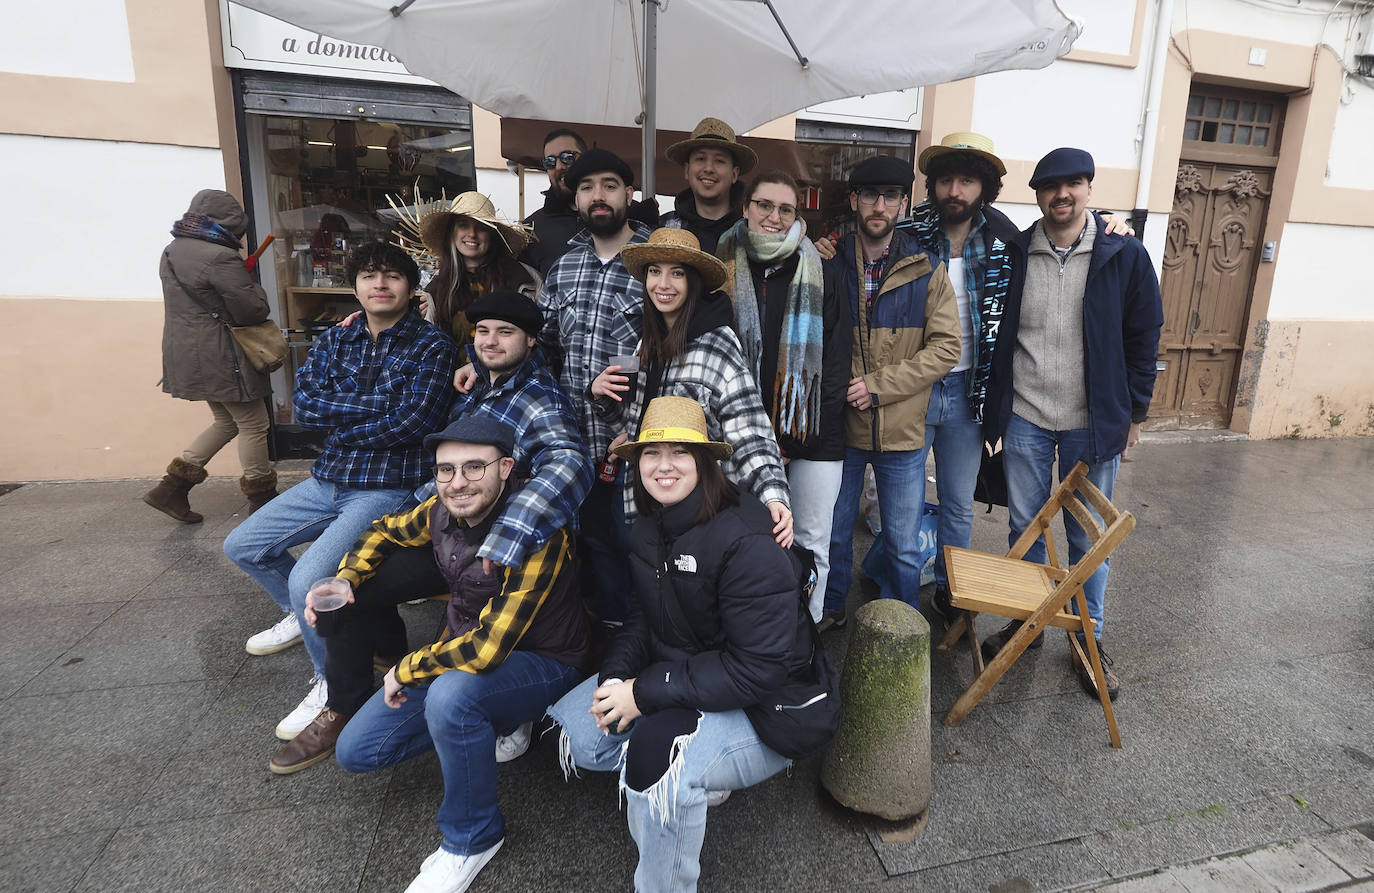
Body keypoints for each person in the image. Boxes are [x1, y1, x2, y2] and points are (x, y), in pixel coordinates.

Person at [548, 397, 834, 893]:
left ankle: (665, 877)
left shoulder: (747, 539)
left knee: (660, 767)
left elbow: (757, 670)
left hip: (772, 707)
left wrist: (644, 695)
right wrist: (617, 676)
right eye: (651, 454)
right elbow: (642, 617)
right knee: (580, 733)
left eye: (679, 453)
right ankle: (691, 758)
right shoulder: (648, 526)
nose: (663, 467)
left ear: (704, 462)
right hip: (692, 669)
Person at [322, 416, 588, 893]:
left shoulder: (537, 532)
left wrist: (407, 667)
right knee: (358, 752)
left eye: (473, 467)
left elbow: (487, 650)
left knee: (452, 696)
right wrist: (347, 576)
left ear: (506, 468)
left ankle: (473, 839)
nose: (457, 482)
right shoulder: (439, 511)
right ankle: (492, 722)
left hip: (544, 660)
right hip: (462, 652)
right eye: (445, 470)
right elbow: (383, 530)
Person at [223, 241, 458, 742]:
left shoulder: (432, 345)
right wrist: (372, 409)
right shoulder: (335, 339)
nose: (380, 284)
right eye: (370, 276)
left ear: (411, 288)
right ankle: (305, 618)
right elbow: (306, 405)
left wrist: (342, 418)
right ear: (354, 286)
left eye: (392, 276)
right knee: (241, 545)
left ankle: (331, 682)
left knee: (311, 576)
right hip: (327, 479)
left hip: (384, 487)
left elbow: (414, 423)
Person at [983, 147, 1163, 700]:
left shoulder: (1122, 255)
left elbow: (1144, 336)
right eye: (1050, 186)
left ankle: (1088, 639)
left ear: (1088, 188)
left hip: (1091, 422)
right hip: (1028, 418)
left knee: (1088, 540)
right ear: (1037, 194)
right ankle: (1028, 623)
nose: (1062, 194)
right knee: (1025, 527)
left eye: (1073, 184)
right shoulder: (1016, 251)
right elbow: (998, 331)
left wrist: (1134, 413)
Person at [818, 155, 961, 632]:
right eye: (870, 196)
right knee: (834, 531)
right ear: (854, 200)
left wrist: (877, 387)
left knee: (902, 541)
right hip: (839, 430)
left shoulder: (927, 270)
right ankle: (830, 607)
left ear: (904, 203)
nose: (880, 206)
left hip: (901, 432)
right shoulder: (828, 260)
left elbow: (946, 348)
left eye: (891, 197)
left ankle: (901, 623)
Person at [594, 227, 793, 546]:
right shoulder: (648, 340)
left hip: (700, 512)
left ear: (694, 281)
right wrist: (603, 394)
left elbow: (749, 430)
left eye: (677, 274)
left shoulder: (717, 345)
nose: (663, 284)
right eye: (655, 271)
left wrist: (773, 495)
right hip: (648, 502)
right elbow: (638, 419)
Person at [716, 170, 848, 619]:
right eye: (764, 205)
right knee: (742, 540)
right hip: (739, 435)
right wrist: (760, 439)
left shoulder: (821, 268)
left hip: (813, 439)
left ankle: (803, 642)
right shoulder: (721, 266)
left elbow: (835, 364)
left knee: (811, 543)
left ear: (798, 215)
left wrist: (792, 441)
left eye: (785, 209)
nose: (774, 217)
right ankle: (749, 639)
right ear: (745, 207)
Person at [536, 147, 653, 623]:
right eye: (586, 188)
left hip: (628, 443)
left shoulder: (654, 264)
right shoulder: (562, 267)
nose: (597, 196)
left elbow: (675, 354)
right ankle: (590, 638)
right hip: (568, 441)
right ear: (576, 199)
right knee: (580, 547)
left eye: (608, 185)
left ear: (629, 192)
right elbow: (541, 348)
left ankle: (630, 639)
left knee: (627, 549)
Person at [143, 189, 278, 522]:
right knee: (254, 423)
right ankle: (263, 501)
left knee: (226, 421)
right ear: (231, 223)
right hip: (222, 355)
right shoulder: (220, 256)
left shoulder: (171, 250)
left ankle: (171, 489)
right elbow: (252, 309)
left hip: (186, 352)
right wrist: (251, 282)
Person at [521, 128, 658, 277]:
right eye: (550, 161)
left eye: (567, 157)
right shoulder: (531, 229)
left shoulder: (636, 214)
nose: (559, 166)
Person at [418, 192, 539, 347]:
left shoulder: (524, 279)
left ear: (491, 235)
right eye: (463, 225)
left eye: (481, 227)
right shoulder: (437, 287)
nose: (472, 234)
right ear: (452, 232)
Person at [661, 117, 757, 255]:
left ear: (734, 174)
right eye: (700, 159)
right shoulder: (665, 228)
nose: (709, 168)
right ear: (687, 170)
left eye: (719, 161)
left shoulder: (754, 229)